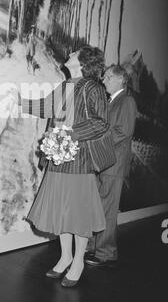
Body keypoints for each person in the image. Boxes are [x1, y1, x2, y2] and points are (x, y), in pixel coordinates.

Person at [19, 46, 110, 287]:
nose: (69, 54)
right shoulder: (64, 86)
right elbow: (47, 107)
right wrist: (20, 102)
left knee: (78, 214)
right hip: (58, 159)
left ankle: (78, 260)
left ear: (82, 61)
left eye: (74, 53)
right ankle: (65, 256)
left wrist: (70, 133)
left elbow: (101, 123)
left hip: (78, 160)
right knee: (62, 210)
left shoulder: (94, 88)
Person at [85, 65, 137, 267]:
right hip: (102, 164)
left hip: (113, 166)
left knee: (107, 209)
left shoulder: (127, 101)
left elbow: (123, 132)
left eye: (107, 77)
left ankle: (105, 252)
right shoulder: (111, 101)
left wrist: (96, 146)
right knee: (96, 207)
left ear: (119, 79)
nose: (103, 80)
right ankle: (91, 247)